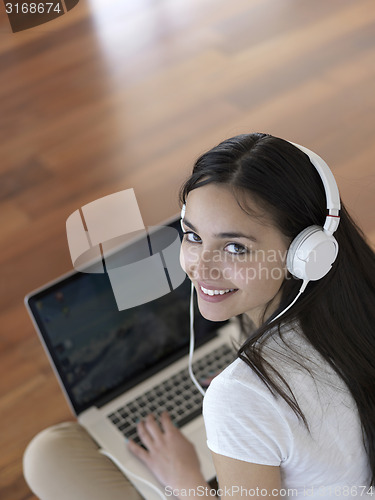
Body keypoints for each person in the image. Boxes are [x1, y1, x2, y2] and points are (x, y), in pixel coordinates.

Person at [23, 133, 375, 499]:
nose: (200, 268)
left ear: (303, 254)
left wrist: (185, 480)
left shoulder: (241, 396)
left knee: (49, 454)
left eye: (235, 247)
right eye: (192, 236)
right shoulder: (359, 304)